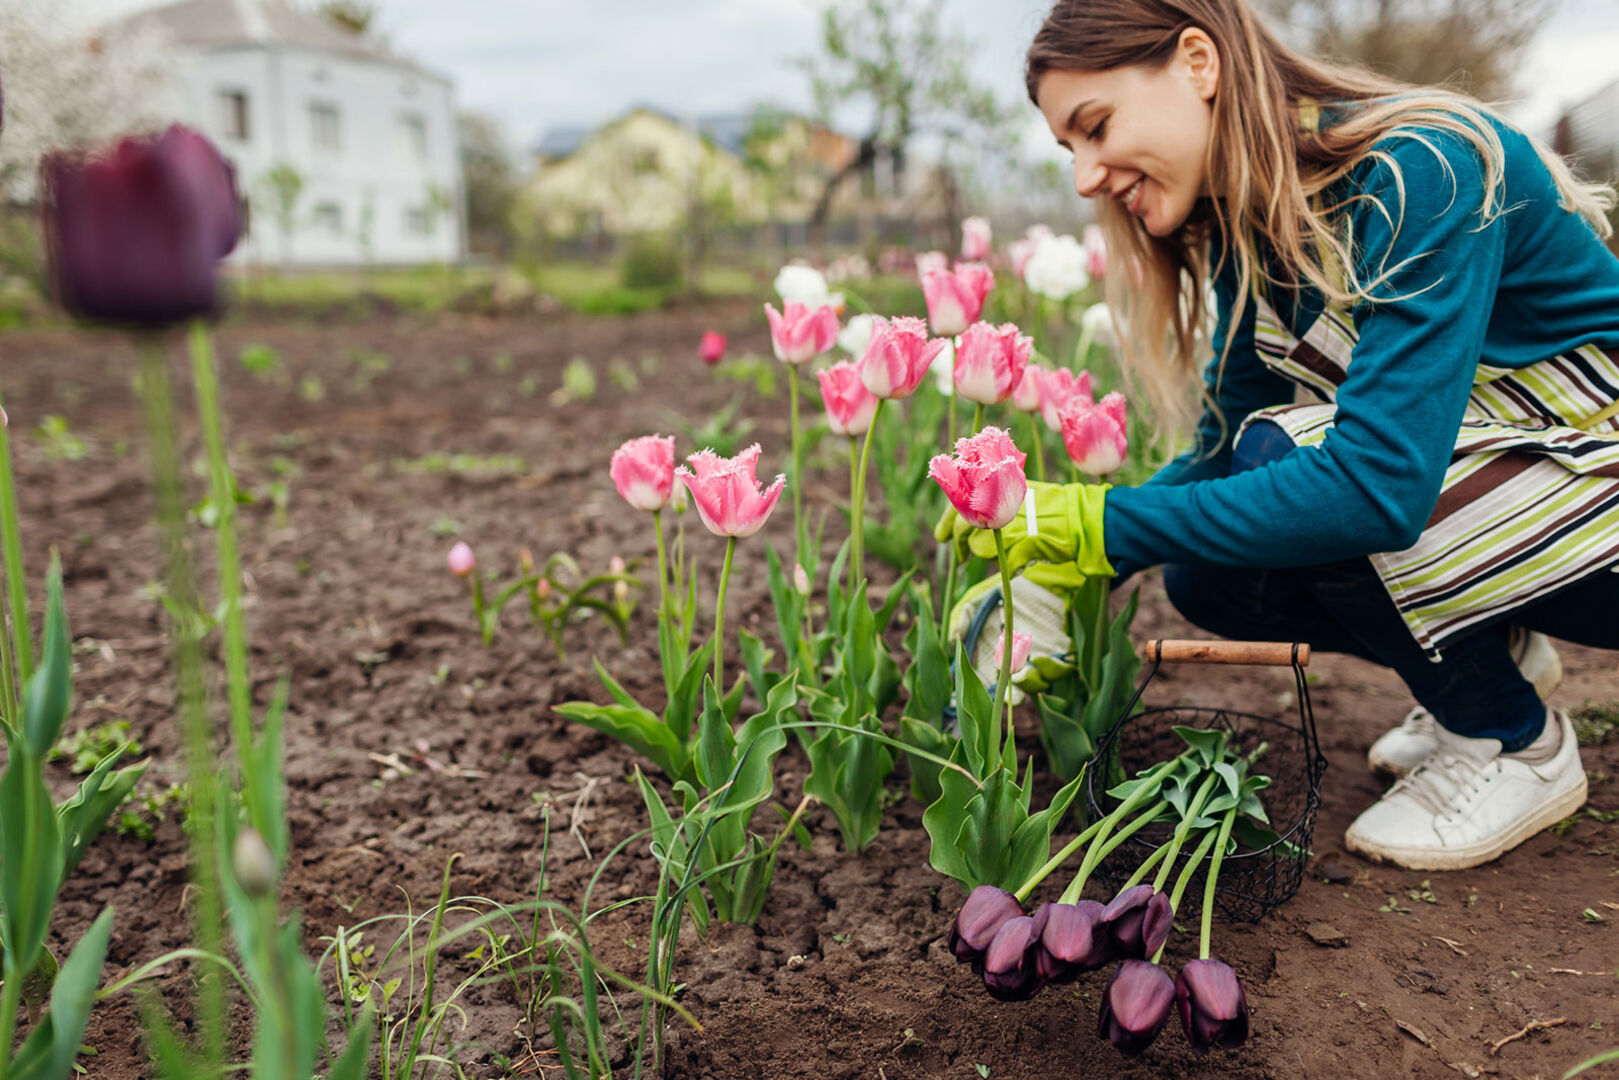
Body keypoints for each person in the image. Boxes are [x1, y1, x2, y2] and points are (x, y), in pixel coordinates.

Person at [963, 0, 1619, 872]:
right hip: (1538, 495)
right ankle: (1488, 661)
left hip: (1598, 492)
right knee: (1211, 569)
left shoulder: (1418, 167)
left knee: (1305, 470)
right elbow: (1221, 441)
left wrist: (1097, 522)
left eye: (1095, 125)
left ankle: (1511, 743)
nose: (1084, 176)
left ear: (1198, 62)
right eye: (1068, 149)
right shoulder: (1256, 232)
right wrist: (1060, 553)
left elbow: (1373, 488)